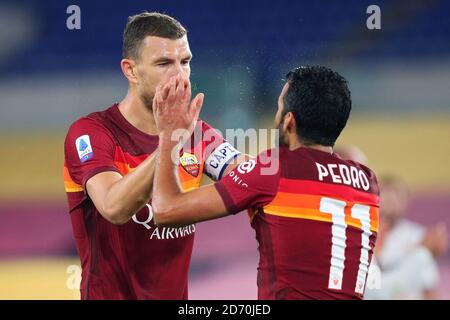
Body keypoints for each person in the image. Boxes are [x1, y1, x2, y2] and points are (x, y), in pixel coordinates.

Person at [152, 66, 380, 299]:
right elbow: (247, 172)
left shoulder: (275, 171)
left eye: (279, 108)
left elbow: (166, 210)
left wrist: (169, 135)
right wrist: (197, 133)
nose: (275, 117)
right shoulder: (367, 182)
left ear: (289, 121)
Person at [63, 12, 245, 300]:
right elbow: (114, 207)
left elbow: (246, 177)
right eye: (164, 64)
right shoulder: (90, 133)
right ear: (131, 70)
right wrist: (170, 142)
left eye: (185, 62)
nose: (179, 75)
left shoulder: (197, 134)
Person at [364, 176, 448, 300]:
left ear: (406, 201)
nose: (391, 204)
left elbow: (429, 286)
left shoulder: (420, 236)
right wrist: (424, 253)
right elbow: (375, 291)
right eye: (386, 198)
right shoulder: (365, 234)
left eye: (396, 198)